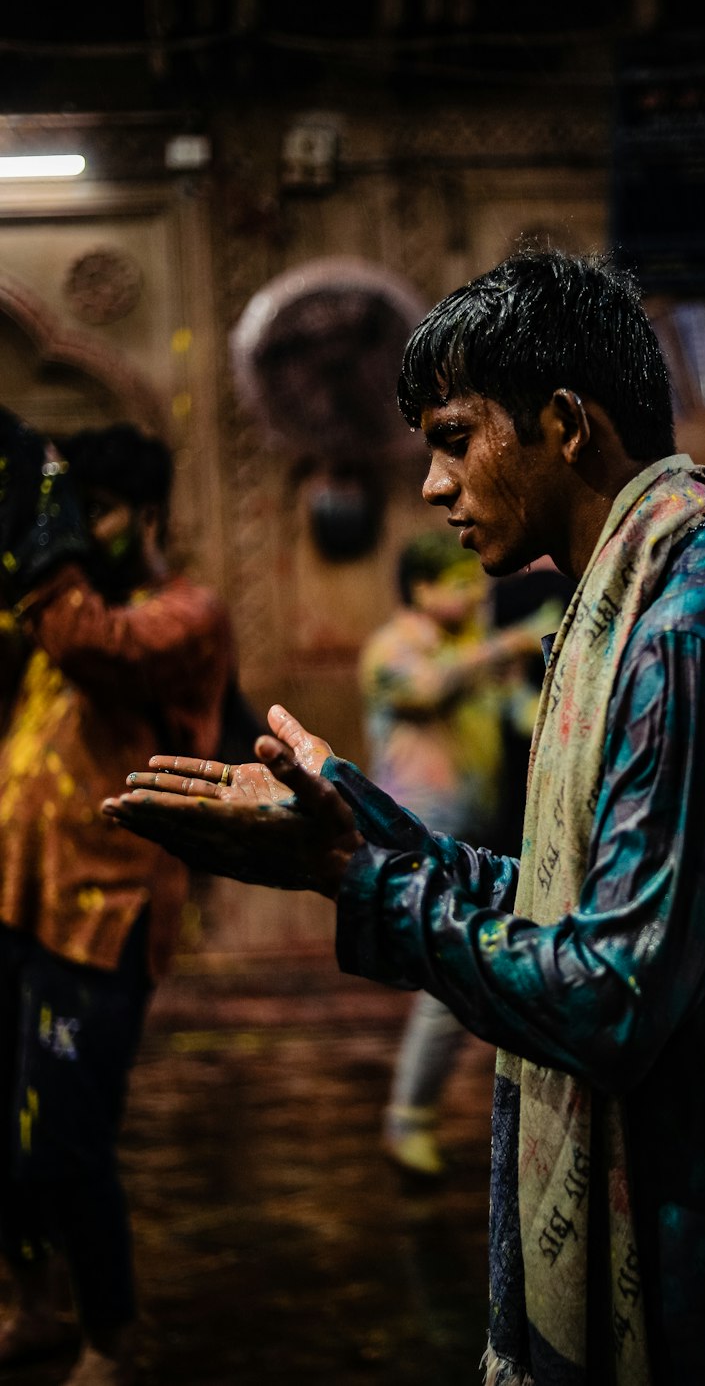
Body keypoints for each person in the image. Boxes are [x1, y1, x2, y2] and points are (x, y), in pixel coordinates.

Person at [105, 251, 705, 1386]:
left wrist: (359, 878)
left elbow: (607, 996)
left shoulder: (685, 639)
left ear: (565, 425)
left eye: (454, 437)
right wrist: (362, 827)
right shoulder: (681, 595)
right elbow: (562, 897)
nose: (431, 485)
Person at [0, 416, 233, 1386]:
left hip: (105, 915)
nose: (72, 531)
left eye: (90, 513)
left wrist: (40, 523)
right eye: (67, 511)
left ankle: (107, 1340)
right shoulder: (57, 606)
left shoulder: (185, 615)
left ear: (144, 518)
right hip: (20, 903)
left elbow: (94, 646)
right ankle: (31, 1306)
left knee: (66, 1142)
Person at [363, 531, 553, 1175]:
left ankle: (420, 1116)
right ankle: (408, 1120)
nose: (476, 594)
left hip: (465, 843)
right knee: (446, 979)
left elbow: (519, 711)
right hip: (413, 839)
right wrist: (514, 642)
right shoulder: (393, 651)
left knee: (460, 974)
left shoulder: (467, 651)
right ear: (420, 589)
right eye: (459, 584)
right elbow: (427, 689)